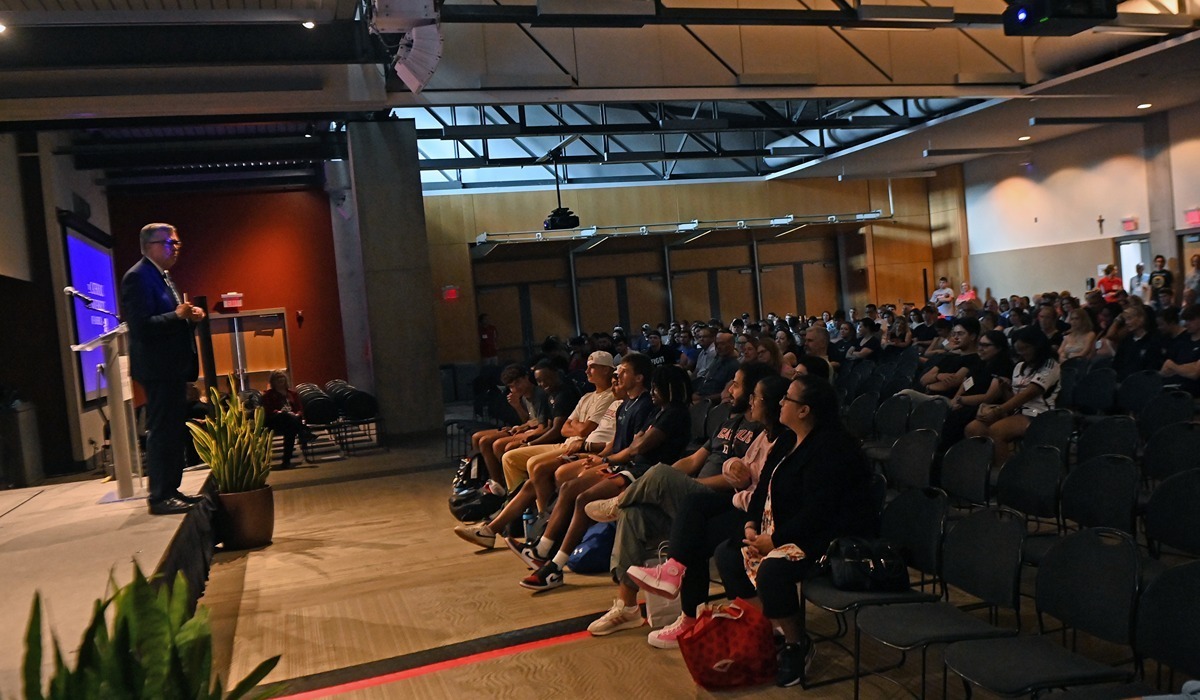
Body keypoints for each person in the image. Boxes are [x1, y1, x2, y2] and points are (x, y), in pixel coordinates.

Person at [584, 365, 775, 638]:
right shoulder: (728, 421)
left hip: (717, 503)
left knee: (658, 477)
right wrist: (670, 479)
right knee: (634, 513)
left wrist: (684, 484)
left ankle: (619, 502)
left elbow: (742, 480)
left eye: (737, 385)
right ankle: (626, 607)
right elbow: (694, 460)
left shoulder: (761, 428)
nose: (730, 390)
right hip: (690, 500)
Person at [713, 375, 877, 687]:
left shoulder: (832, 448)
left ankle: (796, 644)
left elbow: (820, 512)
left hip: (828, 538)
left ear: (805, 410)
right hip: (784, 530)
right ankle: (771, 630)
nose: (781, 403)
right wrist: (750, 523)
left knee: (774, 570)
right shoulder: (788, 439)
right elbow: (763, 487)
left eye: (788, 398)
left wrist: (773, 539)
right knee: (728, 554)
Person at [519, 364, 692, 591]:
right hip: (631, 466)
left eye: (656, 387)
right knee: (571, 487)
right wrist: (621, 452)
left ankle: (553, 563)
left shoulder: (674, 413)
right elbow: (635, 444)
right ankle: (544, 550)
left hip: (646, 472)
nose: (652, 391)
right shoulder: (660, 411)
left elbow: (640, 446)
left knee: (583, 498)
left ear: (668, 388)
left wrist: (614, 457)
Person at [121, 223, 206, 515]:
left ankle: (172, 489)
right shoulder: (137, 277)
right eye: (170, 242)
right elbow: (141, 327)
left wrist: (189, 317)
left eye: (177, 242)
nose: (175, 247)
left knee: (172, 431)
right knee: (162, 431)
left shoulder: (163, 276)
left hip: (171, 367)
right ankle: (160, 496)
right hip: (157, 369)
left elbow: (168, 319)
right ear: (150, 245)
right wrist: (176, 314)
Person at [965, 328, 1060, 468]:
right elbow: (1014, 398)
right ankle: (983, 468)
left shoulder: (1050, 365)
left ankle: (1003, 471)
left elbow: (1029, 394)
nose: (1021, 353)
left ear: (1037, 346)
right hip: (1016, 412)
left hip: (1038, 413)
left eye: (1025, 349)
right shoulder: (1020, 366)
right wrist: (1005, 389)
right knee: (974, 428)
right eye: (1018, 350)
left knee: (997, 430)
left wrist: (998, 410)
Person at [261, 370, 316, 470]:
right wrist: (280, 412)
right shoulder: (268, 395)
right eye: (277, 378)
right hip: (275, 421)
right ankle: (304, 432)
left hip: (290, 422)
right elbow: (268, 410)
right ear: (273, 381)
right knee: (286, 417)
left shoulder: (292, 394)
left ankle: (286, 461)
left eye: (282, 377)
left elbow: (300, 409)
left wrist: (295, 414)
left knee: (291, 427)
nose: (280, 379)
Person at [1160, 304, 1200, 396]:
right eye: (1186, 320)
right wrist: (1186, 368)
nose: (1186, 324)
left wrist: (1175, 367)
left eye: (1190, 320)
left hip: (1192, 393)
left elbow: (1195, 373)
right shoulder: (1183, 338)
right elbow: (1166, 368)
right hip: (1173, 387)